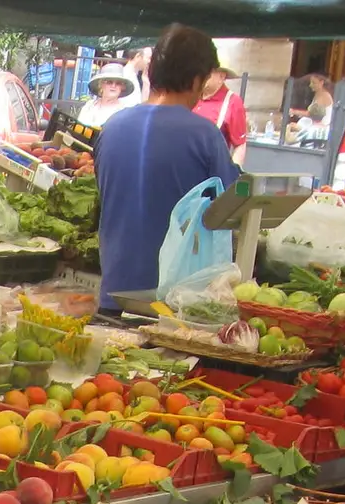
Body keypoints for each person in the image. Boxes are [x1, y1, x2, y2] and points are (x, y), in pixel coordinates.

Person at [94, 25, 240, 313]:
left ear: (151, 73)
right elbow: (233, 206)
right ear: (198, 79)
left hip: (114, 297)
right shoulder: (205, 135)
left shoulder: (110, 129)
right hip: (176, 307)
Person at [195, 65, 249, 163]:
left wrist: (231, 174)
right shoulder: (192, 96)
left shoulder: (233, 102)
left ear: (221, 76)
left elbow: (240, 145)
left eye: (206, 72)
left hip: (211, 172)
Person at [79, 63, 141, 128]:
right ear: (101, 85)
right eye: (109, 82)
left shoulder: (124, 111)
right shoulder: (89, 105)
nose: (113, 86)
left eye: (118, 83)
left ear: (122, 88)